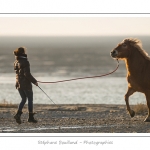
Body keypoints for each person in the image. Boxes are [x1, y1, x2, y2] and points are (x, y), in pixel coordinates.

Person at [13, 47, 38, 124]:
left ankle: (18, 114)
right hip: (25, 84)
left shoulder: (16, 62)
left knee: (23, 99)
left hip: (19, 83)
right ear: (23, 52)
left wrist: (17, 83)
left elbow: (18, 74)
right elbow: (27, 74)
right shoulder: (25, 62)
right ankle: (30, 117)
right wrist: (34, 81)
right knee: (30, 99)